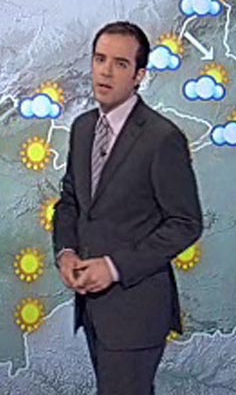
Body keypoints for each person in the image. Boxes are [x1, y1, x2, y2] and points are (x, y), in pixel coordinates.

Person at [52, 21, 203, 394]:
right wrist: (66, 252)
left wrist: (114, 267)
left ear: (139, 76)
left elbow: (185, 223)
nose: (105, 71)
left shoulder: (162, 139)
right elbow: (71, 201)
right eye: (100, 59)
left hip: (137, 312)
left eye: (120, 64)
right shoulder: (83, 128)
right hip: (93, 308)